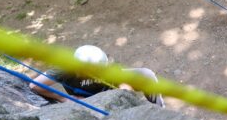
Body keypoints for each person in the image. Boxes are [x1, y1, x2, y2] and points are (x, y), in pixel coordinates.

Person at [29, 44, 163, 106]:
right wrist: (63, 99)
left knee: (146, 75)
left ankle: (160, 111)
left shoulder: (102, 62)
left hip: (111, 91)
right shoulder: (65, 68)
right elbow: (35, 85)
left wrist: (124, 94)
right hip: (87, 99)